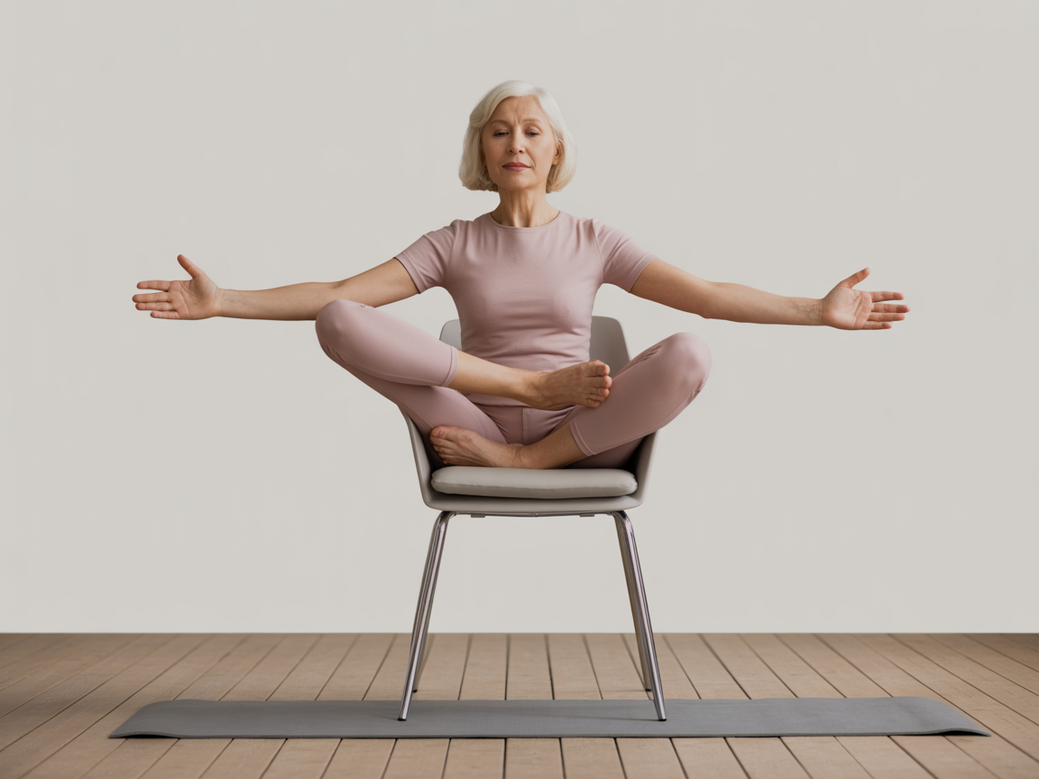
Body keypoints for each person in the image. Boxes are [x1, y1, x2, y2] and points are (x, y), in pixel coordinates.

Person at [133, 80, 909, 471]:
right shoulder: (454, 241)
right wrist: (223, 300)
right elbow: (338, 297)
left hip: (583, 432)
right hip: (471, 421)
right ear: (482, 149)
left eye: (531, 130)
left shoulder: (595, 238)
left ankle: (530, 459)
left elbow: (706, 296)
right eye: (499, 130)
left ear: (555, 150)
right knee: (336, 318)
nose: (516, 142)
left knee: (692, 351)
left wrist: (817, 309)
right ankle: (524, 394)